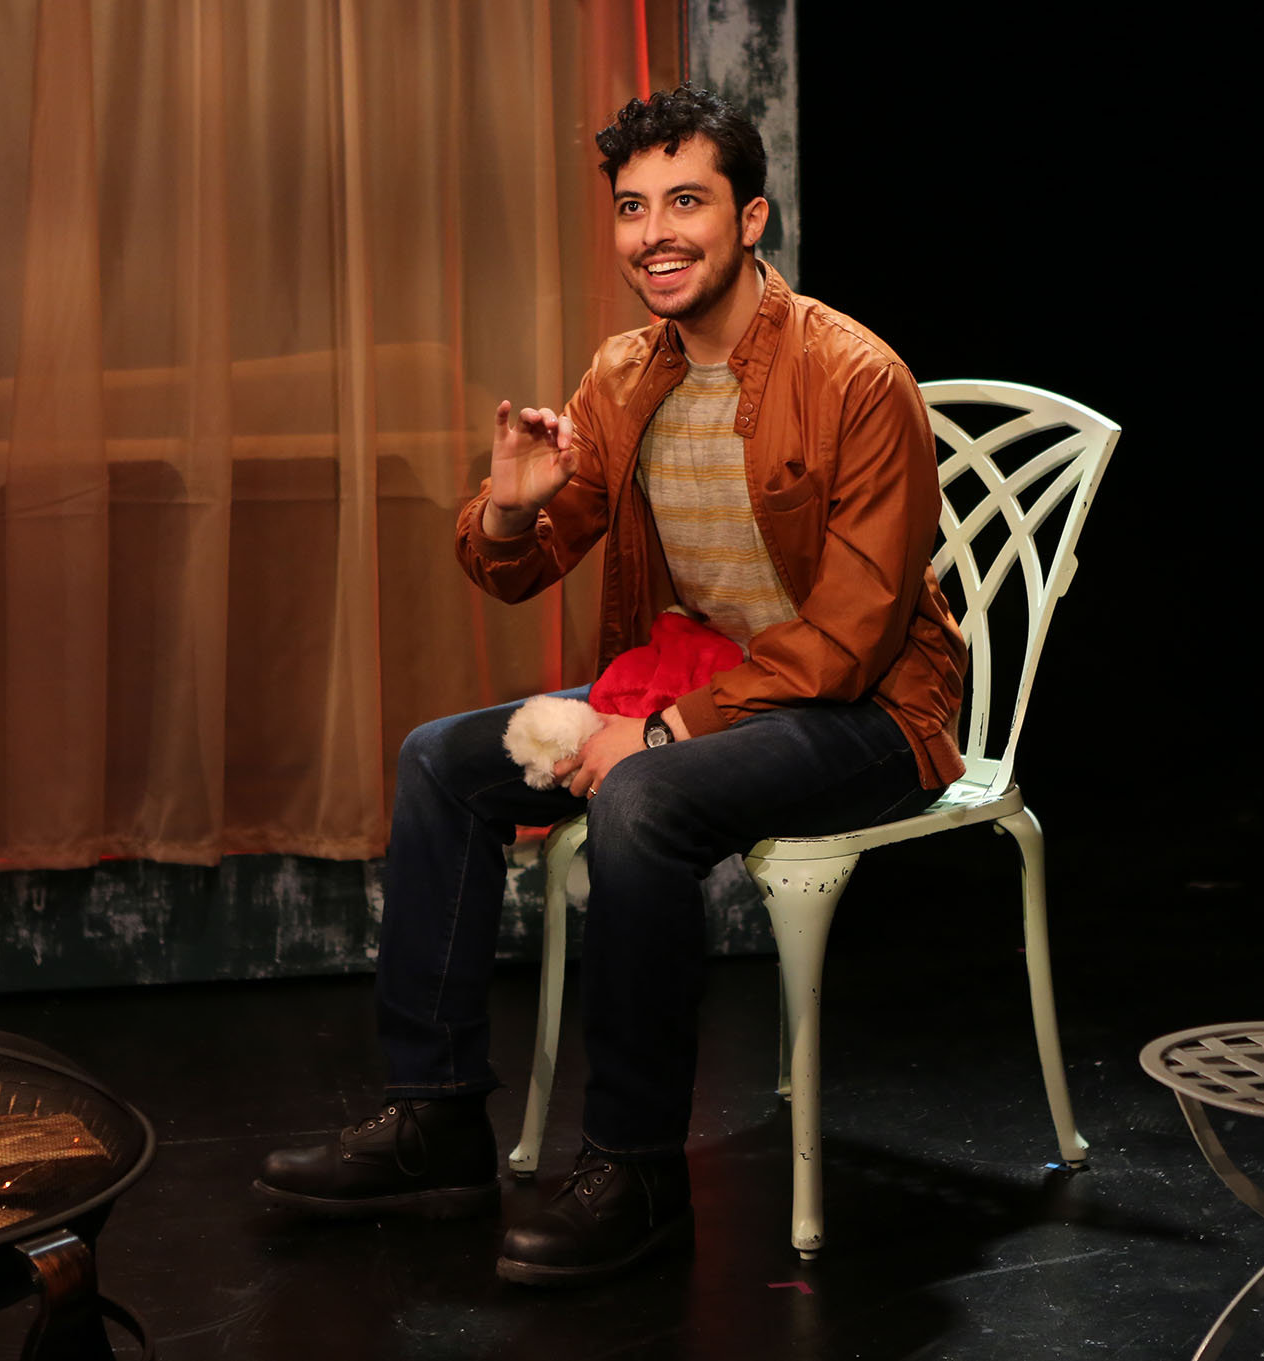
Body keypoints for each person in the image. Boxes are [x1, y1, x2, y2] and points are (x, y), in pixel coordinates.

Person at [256, 85, 967, 1286]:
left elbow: (850, 639)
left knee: (642, 797)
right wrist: (508, 507)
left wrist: (664, 731)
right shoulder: (625, 374)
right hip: (708, 684)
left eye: (685, 202)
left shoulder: (855, 374)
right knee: (440, 757)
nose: (654, 234)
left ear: (750, 218)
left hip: (872, 712)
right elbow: (520, 567)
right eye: (633, 208)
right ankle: (435, 1119)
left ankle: (636, 1171)